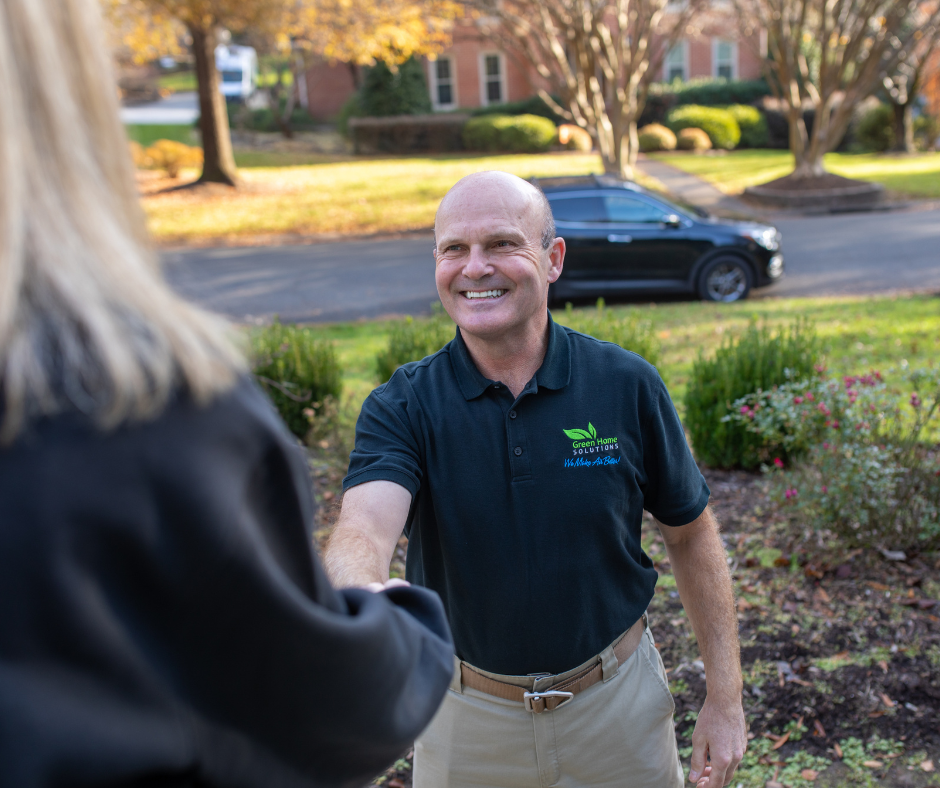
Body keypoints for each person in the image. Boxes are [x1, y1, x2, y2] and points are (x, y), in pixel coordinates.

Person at [0, 1, 453, 785]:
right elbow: (316, 707)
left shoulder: (620, 382)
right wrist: (404, 623)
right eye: (455, 247)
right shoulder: (128, 404)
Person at [324, 171, 747, 788]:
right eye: (453, 249)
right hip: (465, 720)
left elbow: (690, 533)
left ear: (552, 260)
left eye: (501, 244)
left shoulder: (625, 384)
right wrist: (360, 589)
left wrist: (726, 698)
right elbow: (364, 524)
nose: (475, 268)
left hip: (618, 711)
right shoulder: (405, 404)